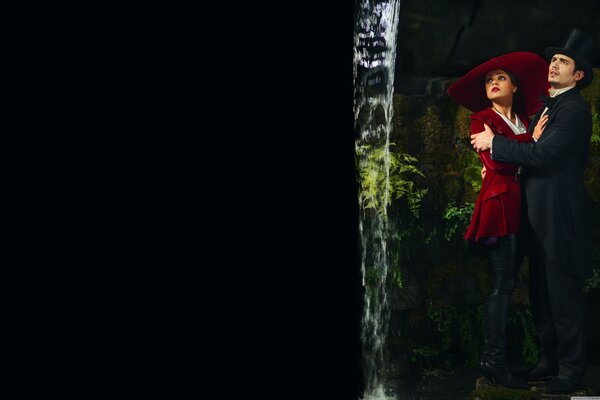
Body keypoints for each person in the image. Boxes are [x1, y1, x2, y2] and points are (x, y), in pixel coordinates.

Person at [470, 29, 596, 394]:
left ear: (578, 75)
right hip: (535, 216)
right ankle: (549, 359)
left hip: (559, 215)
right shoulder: (546, 106)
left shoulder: (573, 110)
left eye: (564, 62)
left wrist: (495, 143)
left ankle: (571, 372)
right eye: (553, 59)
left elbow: (540, 154)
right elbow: (529, 147)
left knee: (563, 294)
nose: (554, 64)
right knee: (542, 292)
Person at [447, 51, 549, 389]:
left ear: (515, 87)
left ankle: (548, 355)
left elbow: (532, 158)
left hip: (529, 208)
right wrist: (530, 142)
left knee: (537, 283)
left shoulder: (526, 120)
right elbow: (496, 164)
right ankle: (494, 360)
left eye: (501, 78)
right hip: (502, 206)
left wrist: (511, 142)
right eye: (489, 80)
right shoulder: (481, 120)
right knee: (503, 286)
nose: (493, 82)